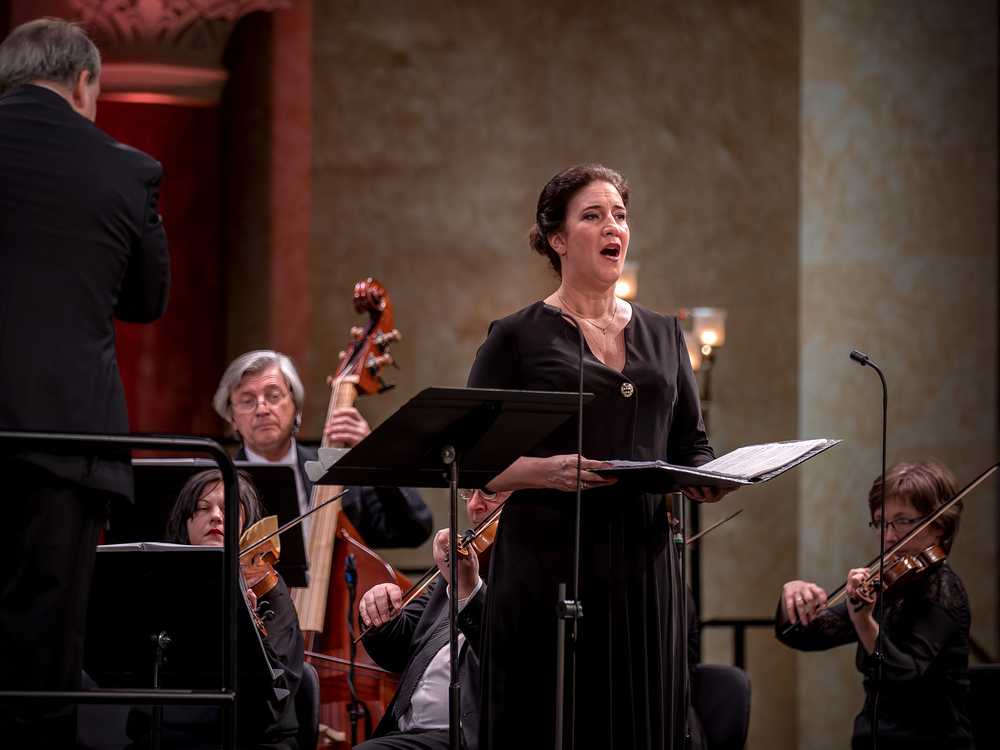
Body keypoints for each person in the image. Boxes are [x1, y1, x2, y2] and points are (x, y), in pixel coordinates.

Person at [466, 164, 734, 749]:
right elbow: (466, 456)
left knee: (642, 723)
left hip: (645, 566)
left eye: (619, 215)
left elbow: (691, 444)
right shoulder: (516, 337)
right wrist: (547, 472)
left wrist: (706, 479)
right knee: (549, 722)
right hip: (547, 559)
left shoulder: (665, 334)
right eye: (593, 215)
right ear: (557, 239)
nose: (613, 226)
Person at [0, 18, 170, 748]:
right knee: (42, 660)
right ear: (84, 83)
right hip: (62, 445)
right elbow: (146, 300)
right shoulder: (126, 169)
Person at [776, 460, 974, 749]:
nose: (890, 535)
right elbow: (801, 635)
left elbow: (905, 675)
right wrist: (791, 594)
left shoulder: (943, 589)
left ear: (939, 526)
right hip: (873, 739)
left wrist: (863, 622)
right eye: (881, 522)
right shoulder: (890, 585)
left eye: (904, 520)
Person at [126, 469, 305, 749]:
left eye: (230, 508)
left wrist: (249, 625)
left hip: (250, 738)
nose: (217, 516)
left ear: (246, 524)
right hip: (169, 733)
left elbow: (276, 696)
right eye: (202, 508)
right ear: (185, 521)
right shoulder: (159, 582)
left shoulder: (268, 587)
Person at [212, 350, 433, 548]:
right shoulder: (215, 484)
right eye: (247, 401)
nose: (262, 409)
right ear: (232, 418)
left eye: (273, 396)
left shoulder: (341, 470)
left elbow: (414, 531)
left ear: (296, 406)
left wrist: (376, 456)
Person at [355, 488, 506, 749]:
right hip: (406, 731)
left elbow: (506, 655)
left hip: (468, 735)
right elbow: (401, 647)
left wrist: (470, 591)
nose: (474, 505)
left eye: (490, 492)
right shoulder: (461, 564)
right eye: (469, 492)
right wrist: (383, 611)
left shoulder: (531, 575)